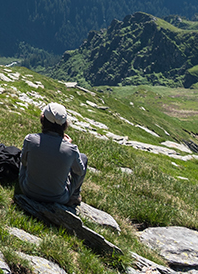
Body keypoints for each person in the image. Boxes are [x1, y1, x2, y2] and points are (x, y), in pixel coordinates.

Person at [15, 103, 122, 256]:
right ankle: (73, 197)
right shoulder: (71, 149)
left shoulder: (31, 139)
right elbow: (79, 170)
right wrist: (66, 147)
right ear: (64, 125)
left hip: (28, 190)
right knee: (83, 159)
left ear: (43, 120)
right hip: (58, 197)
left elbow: (24, 162)